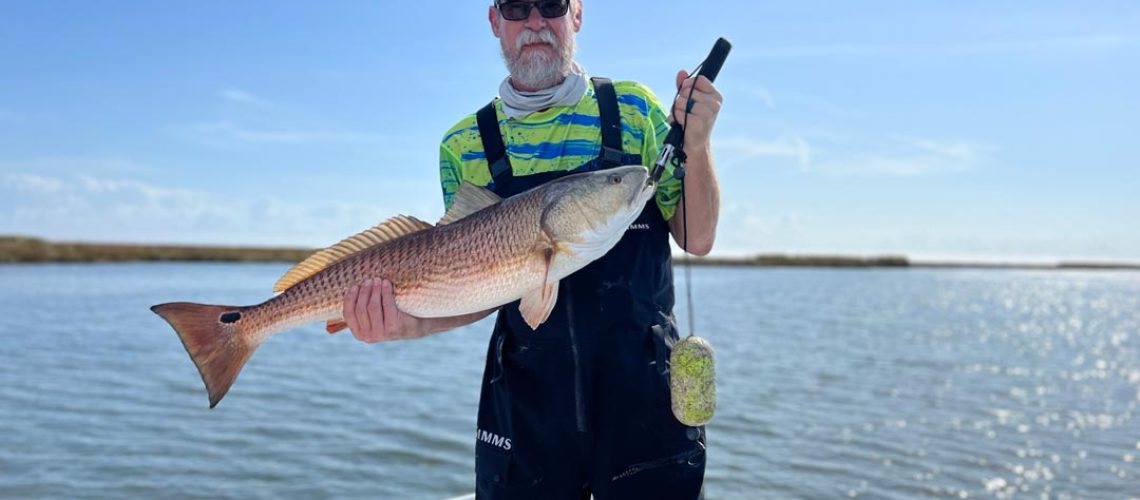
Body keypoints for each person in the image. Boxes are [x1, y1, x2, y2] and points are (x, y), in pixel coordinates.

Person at [340, 0, 722, 498]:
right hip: (527, 409)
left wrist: (699, 141)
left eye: (552, 5)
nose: (536, 22)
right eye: (517, 8)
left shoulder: (636, 110)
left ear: (577, 15)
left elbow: (699, 237)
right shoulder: (464, 144)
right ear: (496, 22)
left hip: (643, 396)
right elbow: (472, 285)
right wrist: (408, 322)